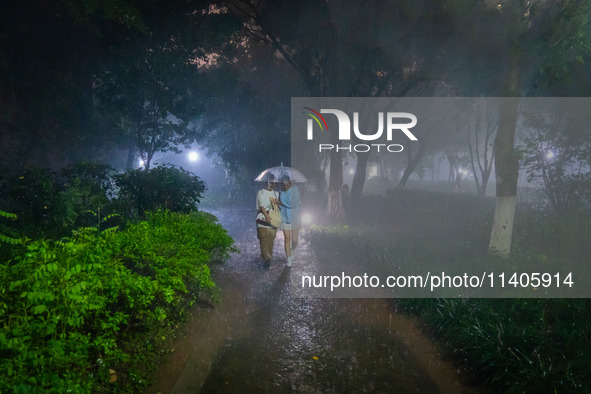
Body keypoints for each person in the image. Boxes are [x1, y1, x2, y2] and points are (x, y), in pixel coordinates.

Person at [278, 176, 302, 267]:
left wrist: (279, 202)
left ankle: (292, 249)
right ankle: (288, 258)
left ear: (290, 183)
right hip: (284, 218)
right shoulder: (281, 193)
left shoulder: (295, 190)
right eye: (283, 185)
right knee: (287, 238)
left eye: (287, 185)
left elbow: (292, 204)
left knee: (295, 240)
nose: (285, 187)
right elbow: (281, 207)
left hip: (295, 217)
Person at [256, 175, 279, 268]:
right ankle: (266, 257)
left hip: (273, 220)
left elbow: (276, 208)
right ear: (266, 183)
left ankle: (268, 259)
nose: (272, 184)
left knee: (270, 241)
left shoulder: (276, 193)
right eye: (271, 182)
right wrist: (266, 216)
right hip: (261, 218)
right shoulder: (260, 192)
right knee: (263, 239)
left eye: (274, 183)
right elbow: (261, 206)